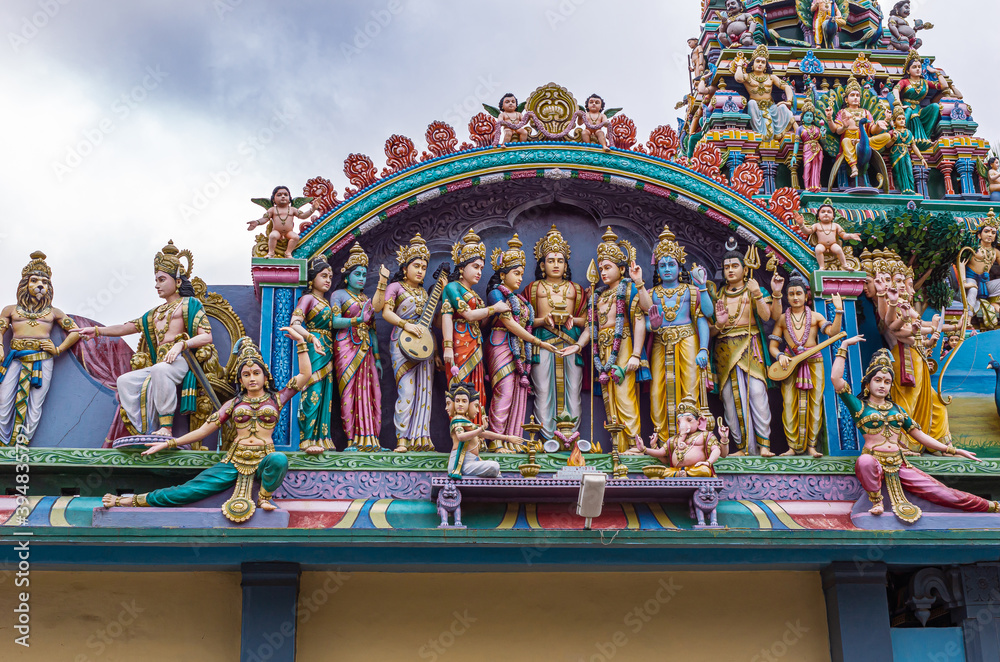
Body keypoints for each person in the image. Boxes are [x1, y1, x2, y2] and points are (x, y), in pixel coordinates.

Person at [101, 331, 312, 523]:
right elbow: (203, 431)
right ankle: (130, 501)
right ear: (240, 379)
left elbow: (304, 376)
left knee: (279, 460)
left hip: (264, 458)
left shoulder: (276, 399)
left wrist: (301, 342)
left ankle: (264, 495)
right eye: (246, 375)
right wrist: (168, 444)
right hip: (234, 459)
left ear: (265, 376)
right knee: (188, 491)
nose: (252, 378)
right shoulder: (233, 404)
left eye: (256, 373)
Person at [831, 338, 997, 523]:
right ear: (867, 383)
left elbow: (921, 436)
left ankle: (991, 506)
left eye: (887, 381)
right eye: (877, 380)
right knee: (864, 461)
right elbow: (836, 380)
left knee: (942, 492)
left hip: (900, 464)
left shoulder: (898, 410)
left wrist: (953, 450)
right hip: (874, 462)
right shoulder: (859, 407)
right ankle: (876, 500)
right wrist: (843, 347)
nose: (882, 385)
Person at [78, 241, 216, 437]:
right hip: (160, 363)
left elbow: (207, 336)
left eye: (161, 279)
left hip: (180, 361)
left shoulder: (189, 304)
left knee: (161, 370)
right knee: (124, 380)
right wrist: (97, 330)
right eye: (156, 280)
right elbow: (126, 328)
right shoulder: (154, 313)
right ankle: (146, 429)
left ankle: (166, 428)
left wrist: (180, 345)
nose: (156, 285)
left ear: (177, 282)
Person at [563, 228, 652, 454]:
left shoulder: (629, 289)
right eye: (601, 268)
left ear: (621, 269)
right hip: (602, 349)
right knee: (609, 398)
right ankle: (618, 445)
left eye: (608, 267)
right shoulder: (599, 296)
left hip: (622, 344)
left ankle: (634, 444)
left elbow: (645, 312)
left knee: (624, 396)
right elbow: (593, 326)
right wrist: (579, 344)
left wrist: (635, 354)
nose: (603, 272)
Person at [373, 233, 445, 452]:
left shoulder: (425, 292)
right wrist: (405, 325)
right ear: (405, 268)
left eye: (424, 266)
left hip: (425, 345)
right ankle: (402, 438)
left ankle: (421, 439)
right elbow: (385, 313)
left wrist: (437, 353)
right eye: (416, 265)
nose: (421, 270)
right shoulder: (396, 287)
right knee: (407, 390)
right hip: (402, 342)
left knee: (426, 392)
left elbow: (432, 325)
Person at [0, 252, 81, 445]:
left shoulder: (53, 312)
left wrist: (58, 349)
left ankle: (22, 443)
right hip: (16, 358)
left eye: (44, 282)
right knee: (4, 400)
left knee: (35, 404)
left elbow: (77, 332)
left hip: (43, 359)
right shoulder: (10, 310)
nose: (40, 285)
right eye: (34, 280)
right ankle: (3, 443)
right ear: (24, 284)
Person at [485, 235, 555, 450]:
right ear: (502, 274)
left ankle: (512, 441)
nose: (519, 278)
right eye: (516, 273)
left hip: (518, 348)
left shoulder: (520, 300)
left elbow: (525, 320)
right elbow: (510, 324)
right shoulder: (496, 294)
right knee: (504, 391)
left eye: (521, 274)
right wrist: (539, 343)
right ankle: (496, 440)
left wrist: (545, 321)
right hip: (500, 344)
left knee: (517, 392)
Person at [711, 240, 779, 456]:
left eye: (735, 266)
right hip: (725, 350)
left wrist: (757, 293)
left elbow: (767, 317)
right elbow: (710, 331)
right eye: (727, 267)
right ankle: (741, 447)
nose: (730, 271)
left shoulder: (754, 290)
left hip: (751, 345)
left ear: (744, 268)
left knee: (757, 394)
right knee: (731, 400)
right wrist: (719, 324)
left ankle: (764, 445)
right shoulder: (718, 295)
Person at [646, 223, 712, 442]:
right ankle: (662, 438)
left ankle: (691, 438)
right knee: (657, 390)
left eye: (671, 265)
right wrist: (653, 325)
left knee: (690, 386)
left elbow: (705, 315)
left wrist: (703, 348)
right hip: (660, 341)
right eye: (662, 265)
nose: (666, 269)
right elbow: (644, 323)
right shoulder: (651, 294)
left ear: (679, 267)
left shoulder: (691, 291)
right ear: (656, 270)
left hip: (687, 338)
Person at [524, 226, 587, 442]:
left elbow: (588, 320)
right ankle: (548, 438)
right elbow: (523, 320)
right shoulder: (533, 289)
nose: (556, 265)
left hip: (571, 343)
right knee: (542, 389)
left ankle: (570, 439)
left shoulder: (576, 289)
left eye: (560, 260)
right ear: (542, 265)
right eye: (551, 260)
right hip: (542, 343)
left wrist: (572, 319)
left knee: (573, 391)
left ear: (566, 264)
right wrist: (544, 320)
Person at [768, 275, 843, 456]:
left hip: (813, 362)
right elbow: (773, 346)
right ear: (786, 297)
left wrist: (839, 310)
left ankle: (811, 446)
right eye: (791, 294)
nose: (795, 297)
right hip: (789, 363)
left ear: (805, 296)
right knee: (789, 404)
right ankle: (792, 447)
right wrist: (779, 356)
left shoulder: (816, 316)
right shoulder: (783, 319)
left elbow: (833, 332)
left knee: (814, 403)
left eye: (799, 293)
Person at [442, 230, 507, 421]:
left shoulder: (475, 295)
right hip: (459, 343)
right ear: (462, 268)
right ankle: (461, 431)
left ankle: (477, 433)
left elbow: (481, 322)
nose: (479, 272)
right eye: (475, 266)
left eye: (481, 268)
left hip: (475, 344)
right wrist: (447, 346)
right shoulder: (453, 287)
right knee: (460, 387)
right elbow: (467, 315)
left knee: (477, 389)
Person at [329, 244, 382, 451]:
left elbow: (373, 330)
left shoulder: (366, 300)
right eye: (357, 274)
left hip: (366, 349)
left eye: (364, 274)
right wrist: (358, 319)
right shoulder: (339, 295)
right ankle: (352, 440)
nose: (362, 278)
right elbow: (334, 321)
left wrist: (377, 358)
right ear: (347, 276)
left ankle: (371, 439)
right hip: (346, 347)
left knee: (370, 393)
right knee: (349, 391)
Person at [289, 256, 335, 454]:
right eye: (323, 276)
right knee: (312, 391)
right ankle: (307, 438)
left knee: (326, 393)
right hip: (314, 347)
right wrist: (311, 338)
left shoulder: (326, 301)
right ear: (312, 278)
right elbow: (294, 324)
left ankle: (322, 438)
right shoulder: (308, 299)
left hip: (327, 348)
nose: (327, 280)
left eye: (330, 277)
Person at [445, 382, 525, 479]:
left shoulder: (466, 422)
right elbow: (461, 437)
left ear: (469, 404)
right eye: (457, 401)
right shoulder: (457, 420)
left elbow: (485, 434)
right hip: (460, 466)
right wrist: (481, 428)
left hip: (470, 463)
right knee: (494, 466)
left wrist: (507, 438)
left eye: (464, 401)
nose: (460, 404)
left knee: (496, 471)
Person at [636, 396, 728, 477]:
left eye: (689, 420)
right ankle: (680, 474)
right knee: (662, 472)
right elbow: (661, 453)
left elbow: (718, 451)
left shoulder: (705, 436)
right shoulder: (674, 439)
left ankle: (684, 474)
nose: (683, 425)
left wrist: (708, 462)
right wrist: (644, 449)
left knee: (704, 470)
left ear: (699, 422)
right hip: (676, 470)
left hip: (696, 470)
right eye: (680, 422)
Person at [826, 77, 892, 179]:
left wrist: (882, 123)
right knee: (845, 141)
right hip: (850, 141)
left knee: (887, 136)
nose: (856, 97)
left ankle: (860, 142)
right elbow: (836, 130)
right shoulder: (843, 112)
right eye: (852, 95)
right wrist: (832, 120)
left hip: (864, 141)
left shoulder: (865, 112)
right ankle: (853, 167)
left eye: (857, 95)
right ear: (846, 99)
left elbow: (872, 130)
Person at [735, 44, 796, 141]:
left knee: (784, 108)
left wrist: (789, 101)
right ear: (753, 63)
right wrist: (739, 64)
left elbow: (786, 87)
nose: (760, 64)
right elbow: (738, 78)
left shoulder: (771, 77)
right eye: (757, 61)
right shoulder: (748, 76)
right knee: (751, 103)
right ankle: (759, 135)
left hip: (771, 108)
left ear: (765, 66)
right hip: (756, 109)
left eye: (763, 62)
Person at [247, 185, 317, 259]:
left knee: (295, 237)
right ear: (273, 199)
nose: (283, 196)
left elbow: (303, 216)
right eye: (279, 195)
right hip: (277, 231)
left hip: (288, 232)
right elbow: (265, 219)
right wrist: (256, 222)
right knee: (273, 236)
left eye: (285, 195)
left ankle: (288, 253)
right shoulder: (272, 210)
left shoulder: (292, 209)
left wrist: (312, 209)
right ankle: (271, 253)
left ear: (290, 199)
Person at [796, 201, 860, 271]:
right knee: (818, 249)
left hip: (833, 244)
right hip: (821, 244)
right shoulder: (816, 225)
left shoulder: (836, 226)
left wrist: (851, 236)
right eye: (823, 212)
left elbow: (843, 236)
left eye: (829, 212)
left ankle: (844, 265)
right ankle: (822, 267)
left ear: (833, 217)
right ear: (818, 217)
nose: (826, 213)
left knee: (838, 249)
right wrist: (801, 225)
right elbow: (807, 231)